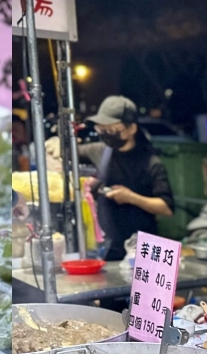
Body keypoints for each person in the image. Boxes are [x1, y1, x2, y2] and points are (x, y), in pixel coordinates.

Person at [71, 96, 174, 261]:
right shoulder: (99, 151)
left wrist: (131, 198)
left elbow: (166, 208)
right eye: (101, 129)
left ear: (131, 129)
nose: (105, 134)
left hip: (144, 250)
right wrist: (56, 143)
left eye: (112, 129)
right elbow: (68, 152)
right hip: (108, 250)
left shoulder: (150, 163)